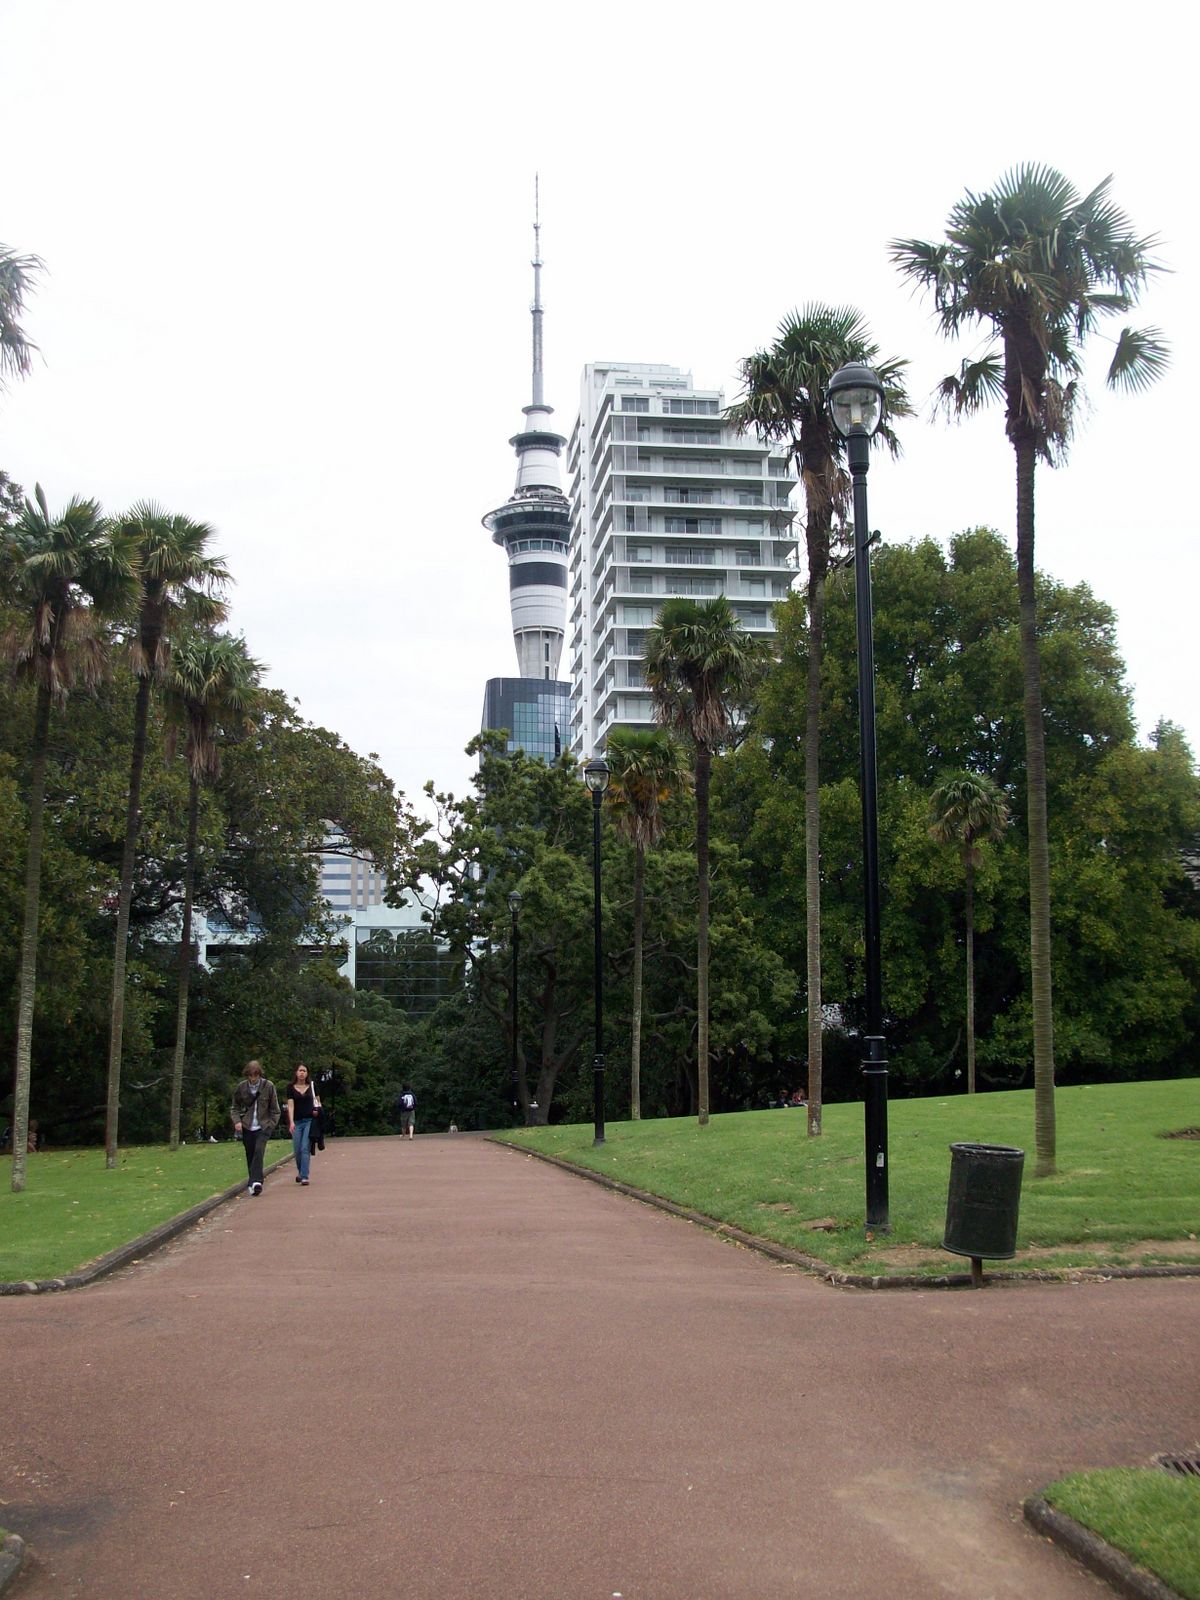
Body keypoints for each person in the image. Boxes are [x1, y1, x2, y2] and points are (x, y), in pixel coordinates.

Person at [231, 1060, 280, 1196]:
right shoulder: (241, 1087)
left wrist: (270, 1125)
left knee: (259, 1150)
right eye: (250, 1076)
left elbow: (275, 1110)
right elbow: (234, 1107)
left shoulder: (268, 1086)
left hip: (263, 1126)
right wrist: (237, 1121)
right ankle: (252, 1183)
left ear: (259, 1074)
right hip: (247, 1126)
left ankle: (257, 1182)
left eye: (255, 1075)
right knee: (250, 1154)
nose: (253, 1079)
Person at [286, 1063, 321, 1186]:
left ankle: (305, 1176)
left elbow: (318, 1102)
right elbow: (290, 1106)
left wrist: (317, 1111)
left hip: (309, 1121)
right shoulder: (290, 1087)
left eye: (304, 1071)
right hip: (297, 1122)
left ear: (307, 1073)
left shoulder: (312, 1086)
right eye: (300, 1070)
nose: (302, 1073)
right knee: (297, 1150)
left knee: (305, 1147)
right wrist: (291, 1122)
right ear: (296, 1072)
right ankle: (301, 1172)